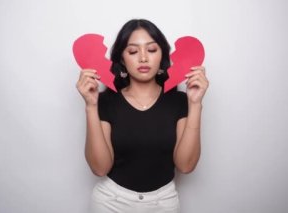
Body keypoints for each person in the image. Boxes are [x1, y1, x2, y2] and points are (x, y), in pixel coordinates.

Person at [76, 19, 209, 213]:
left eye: (152, 50)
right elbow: (100, 168)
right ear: (121, 58)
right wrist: (90, 106)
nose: (144, 58)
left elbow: (186, 165)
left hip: (163, 203)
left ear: (162, 54)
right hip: (111, 202)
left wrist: (196, 103)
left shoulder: (180, 101)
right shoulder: (105, 102)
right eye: (133, 51)